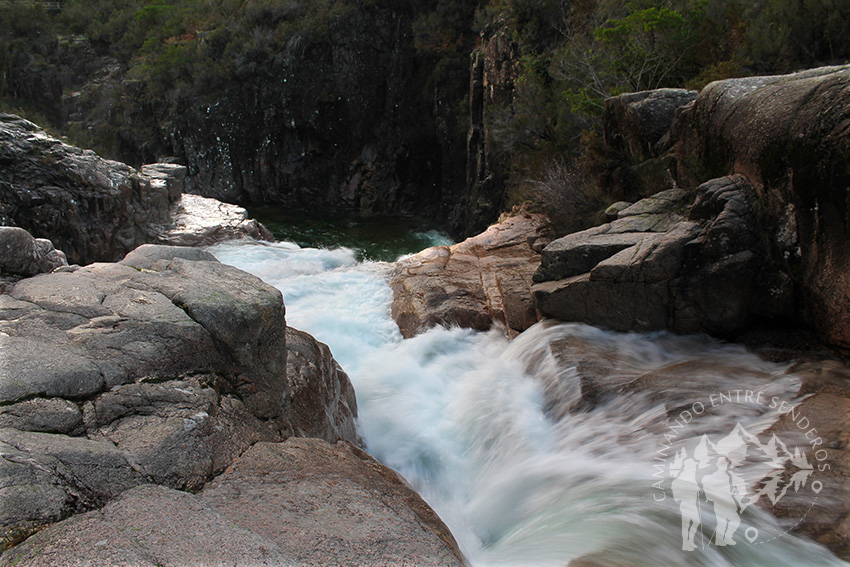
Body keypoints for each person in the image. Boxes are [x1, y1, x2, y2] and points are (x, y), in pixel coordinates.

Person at [702, 457, 741, 545]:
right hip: (720, 502)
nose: (727, 466)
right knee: (726, 521)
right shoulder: (715, 476)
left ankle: (724, 539)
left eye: (727, 465)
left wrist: (734, 490)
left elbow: (729, 488)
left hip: (727, 501)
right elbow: (710, 489)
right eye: (725, 465)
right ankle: (721, 540)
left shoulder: (728, 475)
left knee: (730, 521)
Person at [671, 457, 701, 551]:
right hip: (686, 505)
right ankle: (685, 543)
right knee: (686, 525)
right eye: (693, 466)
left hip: (692, 504)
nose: (694, 468)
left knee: (696, 522)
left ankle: (690, 541)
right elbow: (676, 498)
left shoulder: (691, 477)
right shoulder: (681, 479)